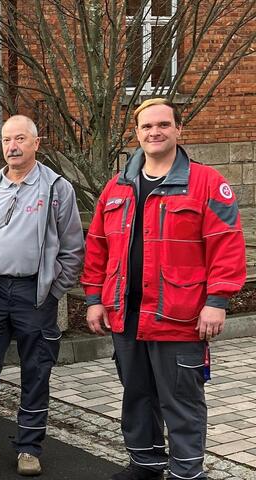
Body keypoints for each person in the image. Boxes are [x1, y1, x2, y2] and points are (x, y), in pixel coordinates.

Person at [82, 98, 246, 480]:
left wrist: (217, 301)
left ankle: (186, 473)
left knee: (182, 401)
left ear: (178, 129)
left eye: (163, 125)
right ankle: (145, 463)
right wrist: (93, 299)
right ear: (137, 133)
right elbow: (97, 246)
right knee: (136, 395)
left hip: (179, 314)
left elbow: (226, 245)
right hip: (126, 314)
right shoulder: (118, 186)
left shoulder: (207, 183)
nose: (154, 132)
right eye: (146, 126)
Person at [0, 115, 84, 476]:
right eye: (7, 139)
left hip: (35, 295)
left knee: (36, 373)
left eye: (20, 139)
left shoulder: (57, 189)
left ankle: (29, 448)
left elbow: (73, 248)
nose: (12, 146)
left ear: (36, 143)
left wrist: (54, 289)